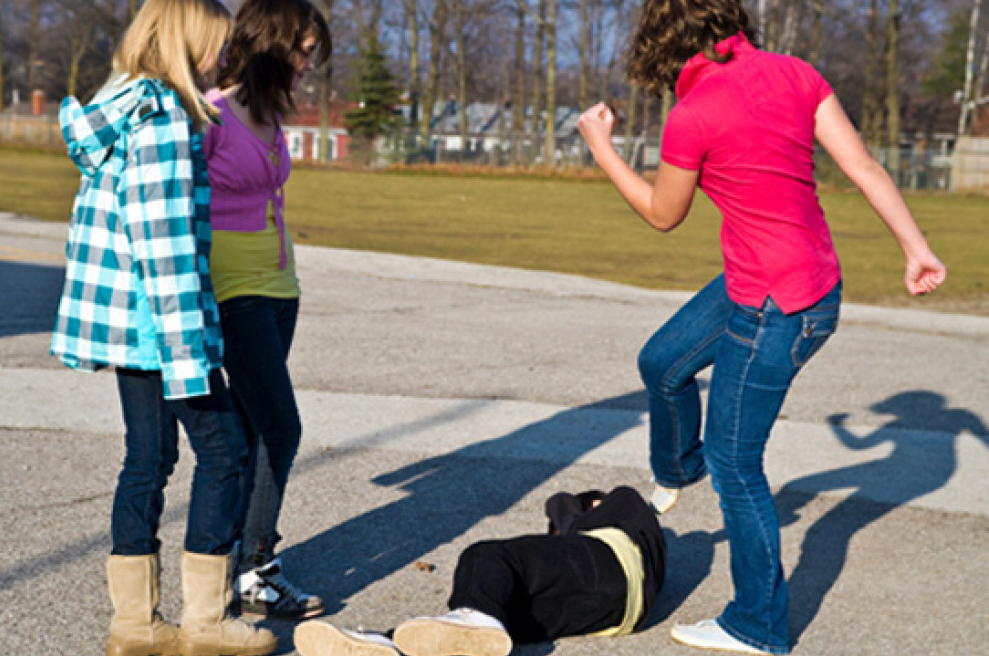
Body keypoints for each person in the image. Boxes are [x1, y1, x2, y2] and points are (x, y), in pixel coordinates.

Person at [575, 1, 947, 654]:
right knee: (662, 362)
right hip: (801, 283)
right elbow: (864, 167)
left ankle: (757, 625)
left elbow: (664, 215)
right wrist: (916, 248)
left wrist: (602, 149)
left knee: (738, 465)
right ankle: (679, 468)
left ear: (663, 42)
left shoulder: (692, 113)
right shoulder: (797, 73)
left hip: (777, 305)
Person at [52, 1, 277, 655]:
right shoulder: (162, 119)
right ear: (185, 42)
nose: (222, 59)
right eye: (215, 46)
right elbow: (164, 242)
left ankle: (135, 626)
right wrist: (190, 351)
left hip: (129, 323)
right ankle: (205, 627)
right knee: (227, 453)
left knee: (147, 459)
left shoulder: (120, 102)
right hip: (162, 325)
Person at [200, 0, 332, 620]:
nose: (308, 64)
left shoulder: (271, 115)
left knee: (258, 428)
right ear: (272, 44)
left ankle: (238, 568)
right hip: (233, 290)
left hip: (280, 286)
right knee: (282, 426)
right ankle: (253, 564)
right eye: (302, 50)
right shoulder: (212, 113)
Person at [292, 486, 666, 656]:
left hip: (610, 560)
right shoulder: (645, 545)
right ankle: (387, 643)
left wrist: (571, 514)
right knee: (485, 620)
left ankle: (475, 618)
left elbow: (561, 504)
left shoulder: (619, 505)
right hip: (619, 615)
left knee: (487, 557)